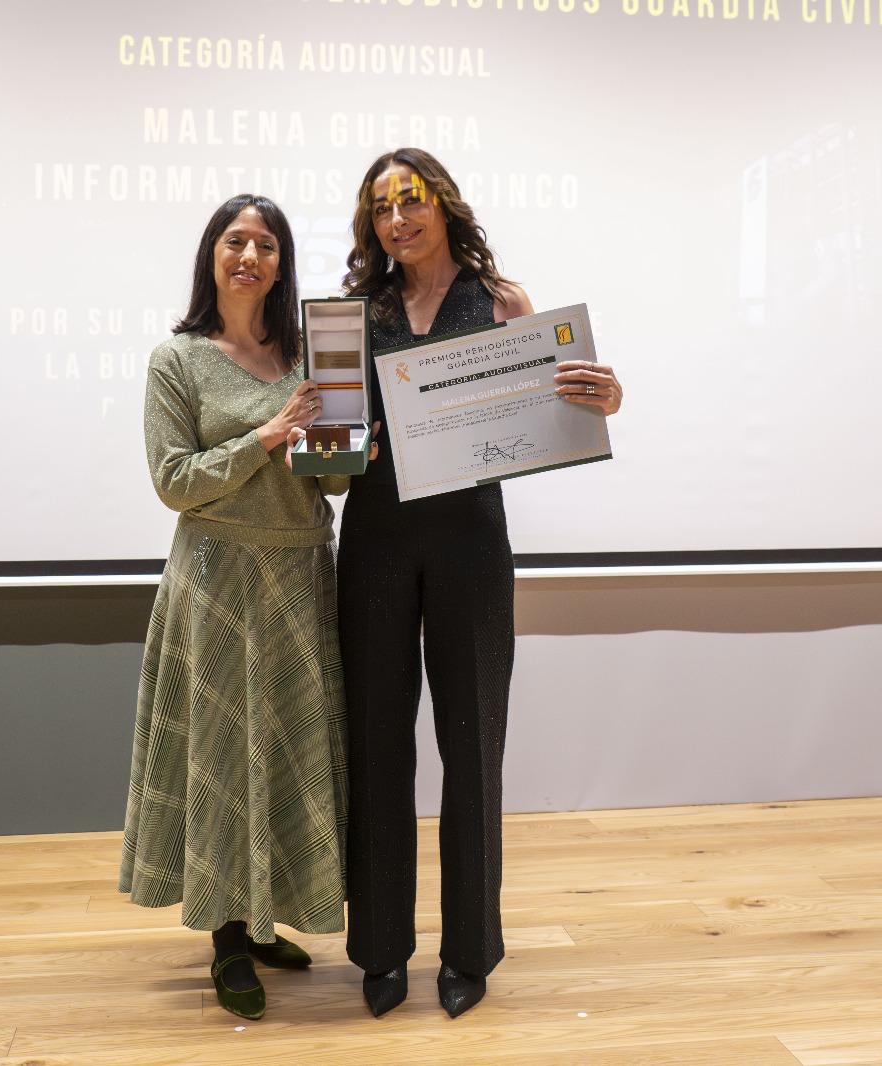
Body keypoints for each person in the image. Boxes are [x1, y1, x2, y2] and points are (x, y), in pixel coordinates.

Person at [337, 148, 623, 1019]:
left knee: (473, 746)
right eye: (382, 207)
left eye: (411, 200)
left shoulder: (503, 304)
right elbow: (328, 456)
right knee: (377, 748)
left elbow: (554, 416)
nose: (398, 219)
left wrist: (599, 401)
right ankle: (380, 949)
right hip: (376, 542)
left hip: (470, 543)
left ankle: (470, 951)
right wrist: (333, 442)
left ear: (444, 205)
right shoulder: (353, 316)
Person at [118, 194, 351, 1022]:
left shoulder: (312, 357)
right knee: (222, 754)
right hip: (216, 581)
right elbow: (173, 481)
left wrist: (335, 442)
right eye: (235, 241)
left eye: (266, 245)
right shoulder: (176, 360)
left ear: (282, 265)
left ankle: (261, 920)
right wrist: (268, 435)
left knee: (284, 750)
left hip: (299, 577)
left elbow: (332, 481)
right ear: (212, 256)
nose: (250, 256)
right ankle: (225, 939)